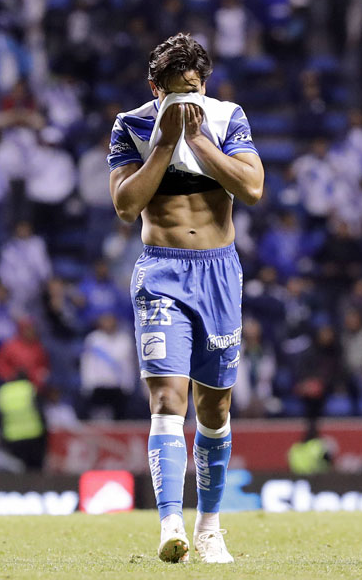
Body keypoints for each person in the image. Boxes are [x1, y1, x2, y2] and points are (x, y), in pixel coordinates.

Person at [108, 33, 263, 564]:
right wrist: (164, 144)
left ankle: (210, 527)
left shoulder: (225, 118)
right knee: (167, 399)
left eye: (193, 90)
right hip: (162, 274)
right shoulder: (130, 124)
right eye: (175, 93)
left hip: (219, 272)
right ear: (156, 89)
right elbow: (127, 206)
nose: (186, 101)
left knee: (214, 407)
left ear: (206, 85)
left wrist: (198, 143)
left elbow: (253, 188)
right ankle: (170, 523)